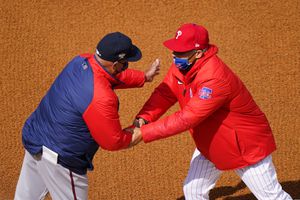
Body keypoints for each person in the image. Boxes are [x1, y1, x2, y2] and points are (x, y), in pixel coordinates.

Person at [130, 23, 292, 200]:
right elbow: (165, 92)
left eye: (180, 52)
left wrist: (143, 134)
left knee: (272, 197)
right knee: (193, 191)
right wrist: (144, 118)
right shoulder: (183, 66)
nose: (174, 55)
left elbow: (187, 118)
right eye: (174, 50)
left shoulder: (215, 78)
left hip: (245, 146)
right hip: (211, 141)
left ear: (198, 53)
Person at [14, 32, 160, 200]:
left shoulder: (80, 61)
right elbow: (113, 141)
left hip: (35, 138)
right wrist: (142, 129)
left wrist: (143, 77)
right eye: (125, 64)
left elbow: (109, 75)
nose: (126, 66)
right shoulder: (102, 97)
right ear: (115, 64)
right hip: (62, 160)